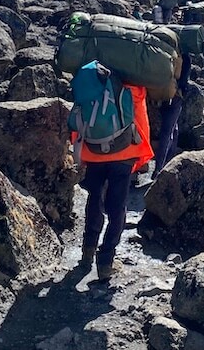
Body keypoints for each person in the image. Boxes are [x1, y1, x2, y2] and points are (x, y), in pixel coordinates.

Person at [76, 80, 153, 279]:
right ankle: (105, 262)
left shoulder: (92, 79)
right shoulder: (133, 84)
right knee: (117, 206)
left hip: (94, 150)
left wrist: (80, 152)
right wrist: (141, 156)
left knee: (94, 199)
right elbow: (141, 119)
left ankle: (87, 250)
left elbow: (79, 114)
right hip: (125, 153)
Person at [153, 52, 191, 175]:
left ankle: (169, 160)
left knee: (172, 127)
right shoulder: (185, 56)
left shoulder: (162, 51)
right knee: (167, 131)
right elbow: (184, 80)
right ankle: (159, 168)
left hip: (157, 94)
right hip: (175, 96)